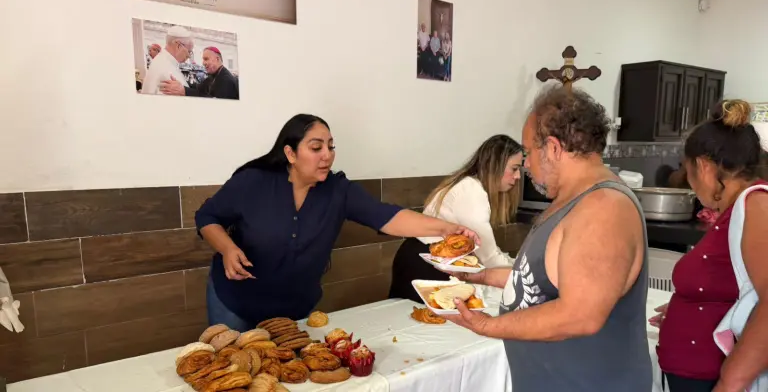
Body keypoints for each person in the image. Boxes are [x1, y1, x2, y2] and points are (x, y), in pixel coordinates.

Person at [441, 86, 651, 392]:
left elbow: (580, 316)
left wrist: (487, 325)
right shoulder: (571, 198)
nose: (526, 164)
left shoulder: (603, 208)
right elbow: (544, 281)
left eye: (528, 152)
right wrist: (480, 276)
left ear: (553, 148)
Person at [195, 114, 480, 331]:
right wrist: (227, 249)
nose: (327, 155)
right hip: (235, 302)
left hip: (294, 308)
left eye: (330, 147)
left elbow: (389, 217)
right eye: (316, 147)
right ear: (290, 154)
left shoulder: (338, 191)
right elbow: (207, 217)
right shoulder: (253, 182)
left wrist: (444, 228)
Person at [652, 99, 768, 392]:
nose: (690, 184)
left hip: (717, 381)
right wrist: (691, 304)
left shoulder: (756, 205)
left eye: (687, 170)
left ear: (703, 166)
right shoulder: (736, 210)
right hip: (693, 375)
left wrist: (731, 380)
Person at [388, 134, 523, 303]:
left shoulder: (468, 185)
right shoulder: (471, 191)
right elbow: (487, 254)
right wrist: (522, 276)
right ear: (494, 166)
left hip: (423, 258)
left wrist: (514, 266)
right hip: (427, 264)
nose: (518, 176)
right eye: (514, 168)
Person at [159, 47, 239, 100]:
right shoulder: (213, 75)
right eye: (203, 59)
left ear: (217, 59)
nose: (203, 63)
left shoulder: (226, 80)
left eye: (206, 59)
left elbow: (213, 102)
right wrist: (180, 82)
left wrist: (184, 91)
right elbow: (198, 88)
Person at [141, 26, 193, 96]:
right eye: (189, 51)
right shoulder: (167, 71)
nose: (189, 56)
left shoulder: (162, 60)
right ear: (178, 46)